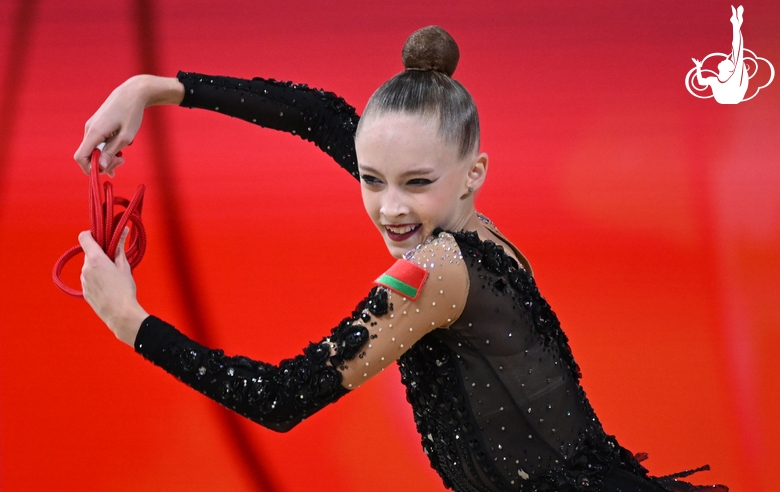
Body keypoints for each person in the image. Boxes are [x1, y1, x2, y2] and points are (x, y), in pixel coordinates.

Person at [74, 26, 727, 492]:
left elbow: (278, 398)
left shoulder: (436, 272)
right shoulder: (464, 226)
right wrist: (151, 88)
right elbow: (320, 114)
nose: (390, 208)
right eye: (369, 178)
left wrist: (128, 320)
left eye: (416, 182)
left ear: (473, 173)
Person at [692, 5, 748, 104]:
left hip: (731, 97)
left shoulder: (733, 77)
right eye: (728, 60)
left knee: (737, 51)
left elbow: (737, 48)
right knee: (737, 52)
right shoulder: (716, 79)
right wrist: (698, 67)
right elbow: (700, 82)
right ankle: (736, 23)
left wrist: (698, 68)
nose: (724, 59)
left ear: (729, 69)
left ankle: (736, 23)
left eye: (727, 61)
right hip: (729, 97)